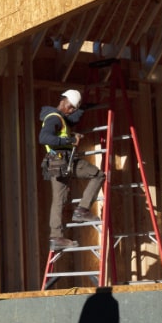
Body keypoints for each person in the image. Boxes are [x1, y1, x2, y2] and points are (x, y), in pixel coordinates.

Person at [39, 89, 105, 249]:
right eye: (71, 108)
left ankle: (56, 237)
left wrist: (85, 107)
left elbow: (71, 121)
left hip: (55, 163)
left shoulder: (59, 117)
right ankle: (82, 210)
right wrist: (70, 139)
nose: (72, 111)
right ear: (64, 102)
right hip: (63, 160)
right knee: (98, 175)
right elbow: (44, 137)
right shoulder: (54, 119)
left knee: (58, 200)